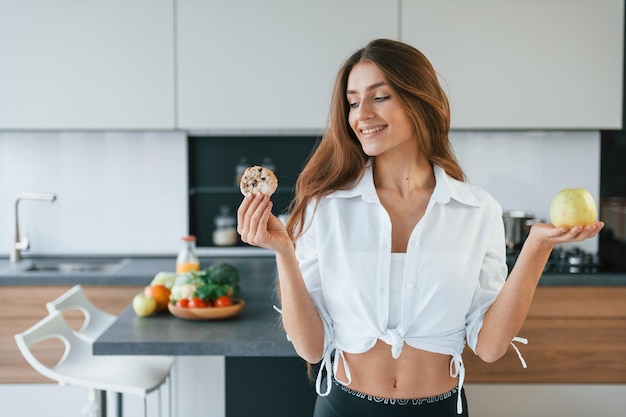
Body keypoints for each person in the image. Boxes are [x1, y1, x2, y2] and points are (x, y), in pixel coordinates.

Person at [236, 38, 603, 417]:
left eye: (379, 97)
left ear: (419, 99)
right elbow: (312, 348)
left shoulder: (476, 210)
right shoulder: (325, 208)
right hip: (343, 407)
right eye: (352, 101)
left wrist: (537, 248)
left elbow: (490, 347)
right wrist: (283, 251)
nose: (361, 114)